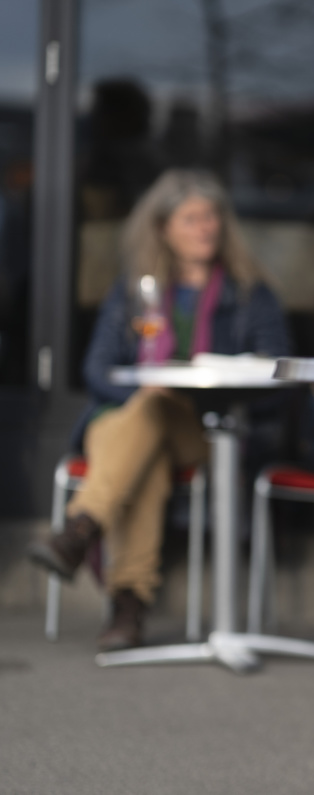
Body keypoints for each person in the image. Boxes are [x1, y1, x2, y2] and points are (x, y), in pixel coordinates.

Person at [27, 169, 290, 651]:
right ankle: (128, 606)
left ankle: (83, 530)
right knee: (145, 434)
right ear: (163, 227)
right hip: (127, 421)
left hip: (207, 428)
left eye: (211, 217)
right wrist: (146, 389)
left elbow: (276, 375)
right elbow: (97, 369)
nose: (205, 228)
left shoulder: (251, 293)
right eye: (191, 219)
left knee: (153, 417)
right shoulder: (134, 290)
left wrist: (207, 384)